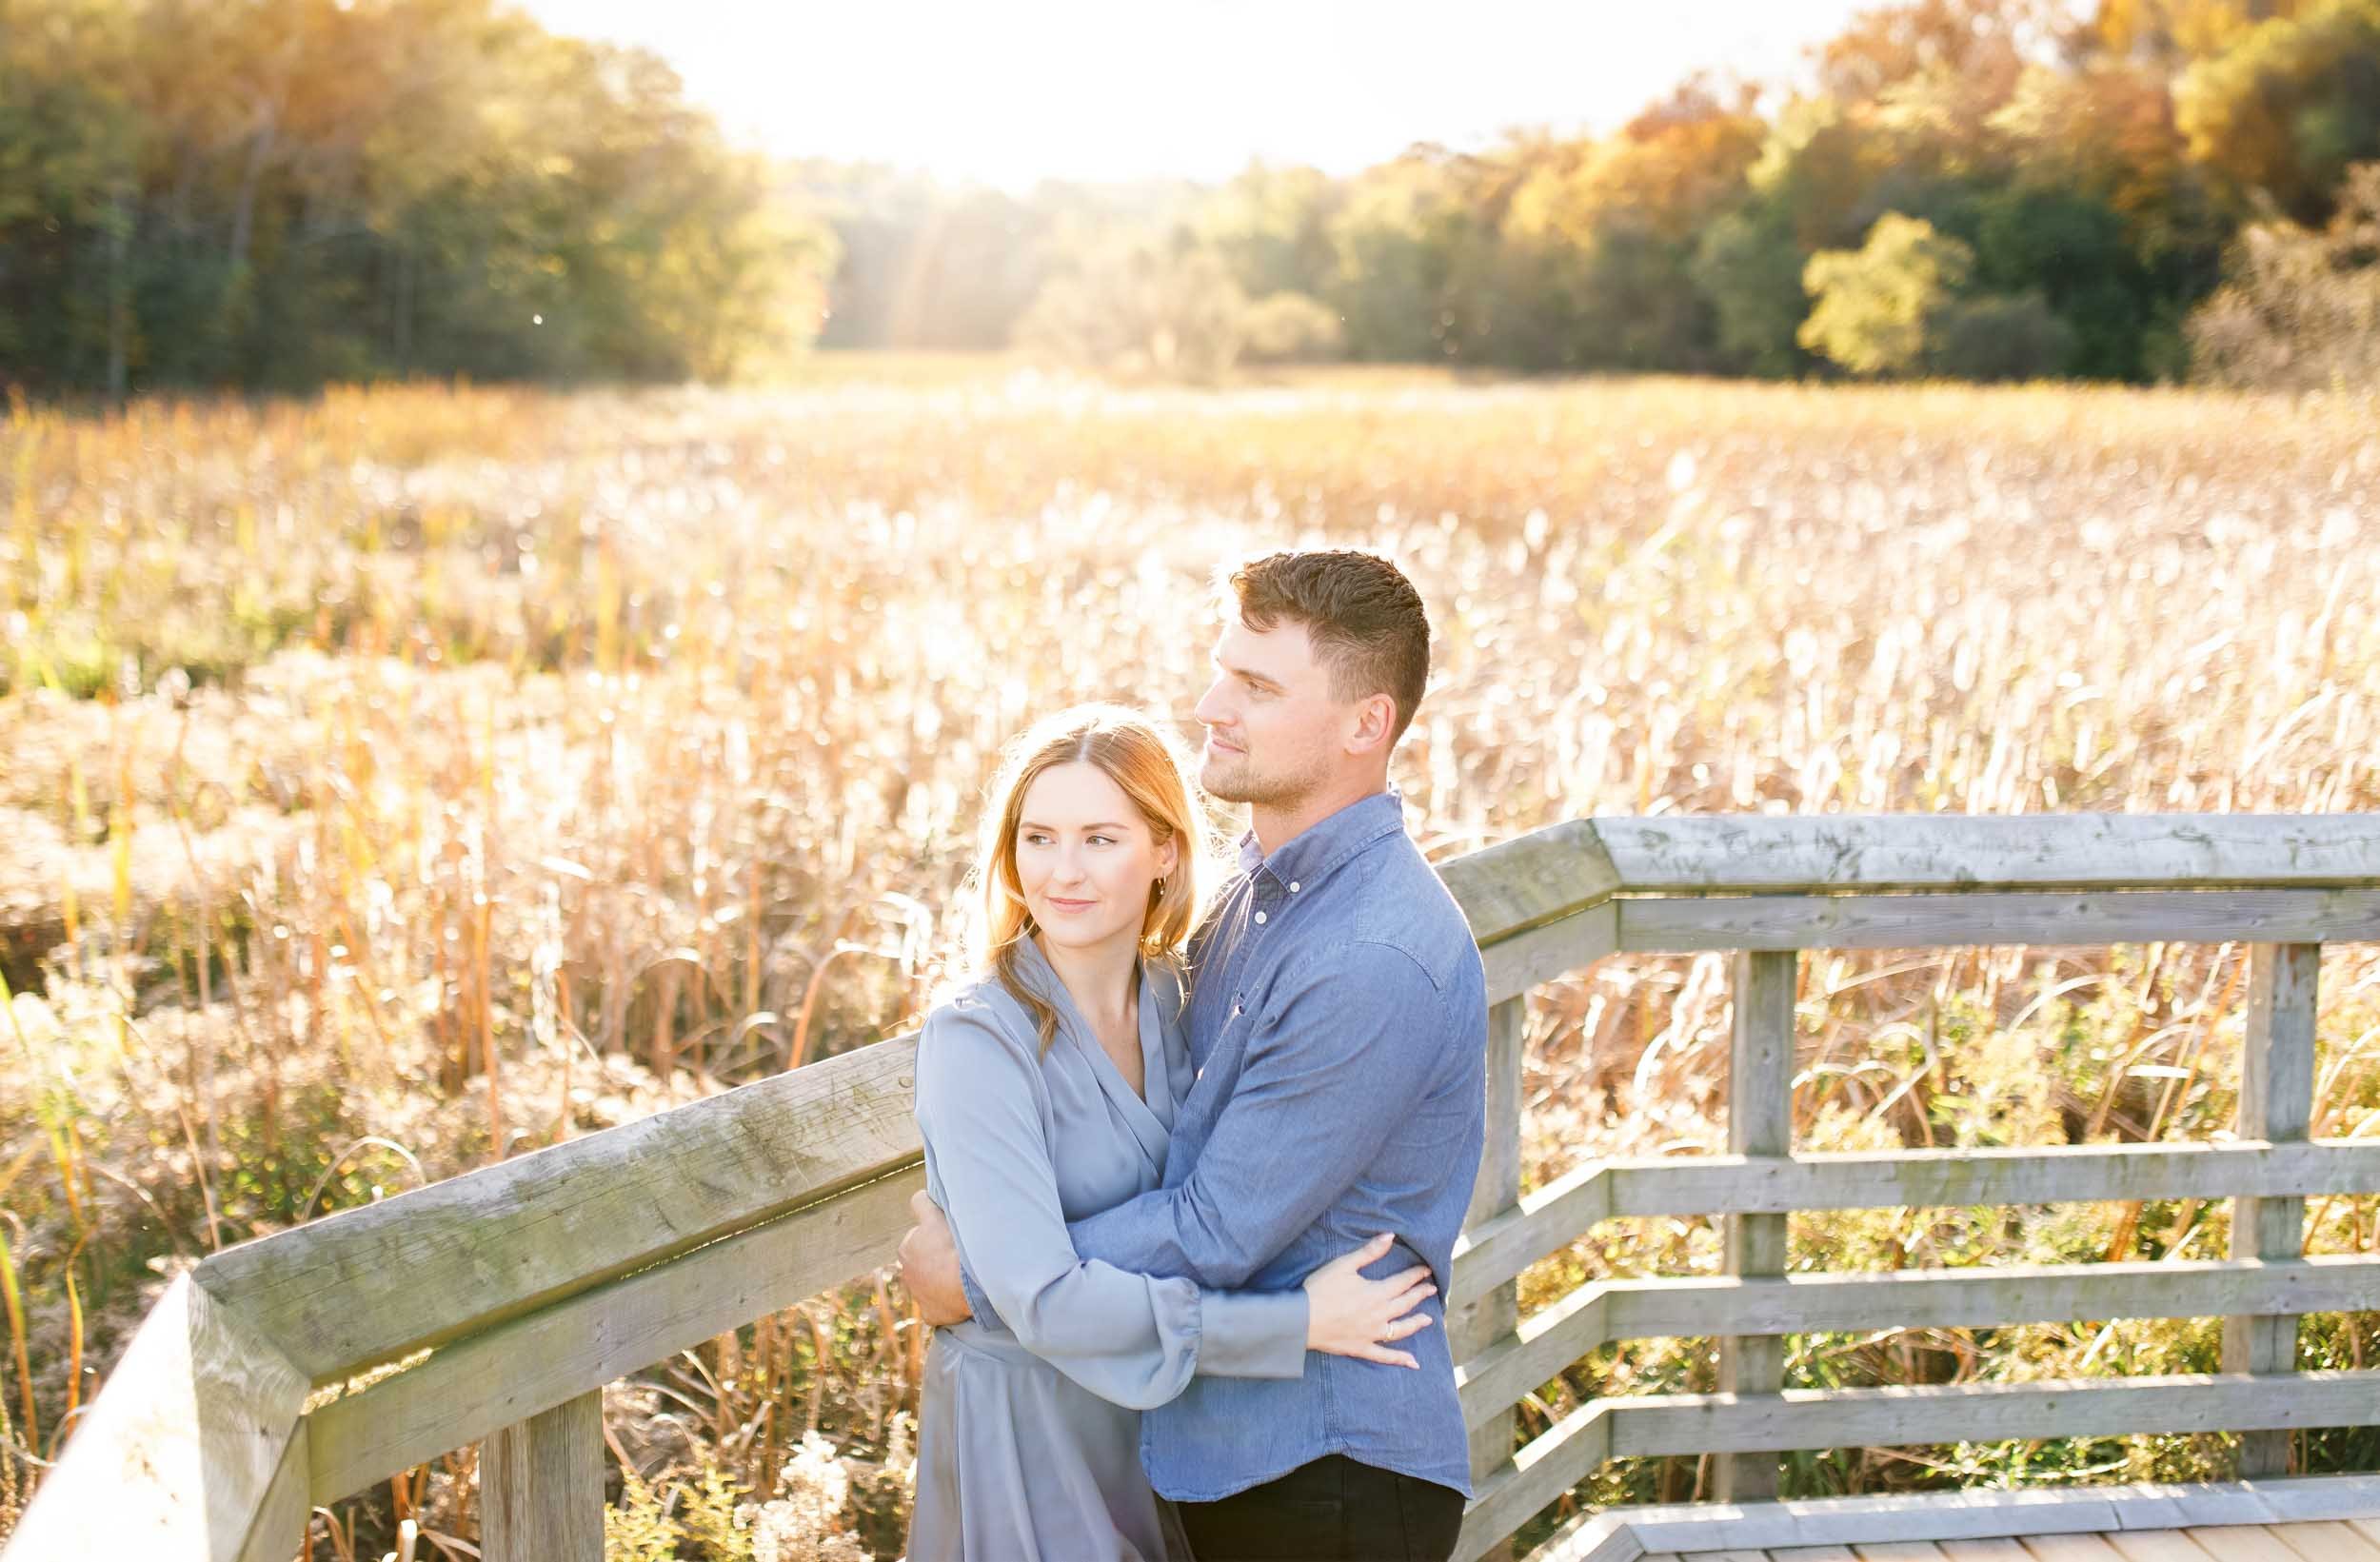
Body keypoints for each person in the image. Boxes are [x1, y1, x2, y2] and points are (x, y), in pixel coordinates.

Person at [905, 549, 1490, 1561]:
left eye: (1257, 686)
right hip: (1212, 1457)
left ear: (1367, 724)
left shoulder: (1369, 954)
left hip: (1326, 1470)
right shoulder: (1250, 902)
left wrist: (990, 1279)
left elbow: (1215, 1226)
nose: (1211, 705)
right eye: (1221, 670)